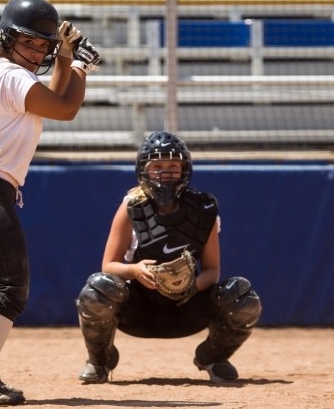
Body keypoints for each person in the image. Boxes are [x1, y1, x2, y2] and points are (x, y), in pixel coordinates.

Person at [0, 0, 100, 406]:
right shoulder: (9, 74)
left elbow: (52, 99)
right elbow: (66, 108)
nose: (36, 51)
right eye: (28, 41)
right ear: (6, 38)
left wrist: (66, 57)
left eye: (43, 45)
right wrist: (81, 65)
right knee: (9, 287)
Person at [74, 131, 262, 384]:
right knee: (97, 288)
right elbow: (109, 266)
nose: (165, 173)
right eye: (157, 166)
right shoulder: (132, 205)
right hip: (139, 309)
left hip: (185, 307)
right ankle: (99, 360)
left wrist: (189, 286)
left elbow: (212, 271)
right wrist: (135, 271)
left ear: (184, 169)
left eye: (173, 166)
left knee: (241, 294)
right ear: (144, 170)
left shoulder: (203, 209)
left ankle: (213, 356)